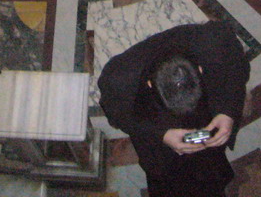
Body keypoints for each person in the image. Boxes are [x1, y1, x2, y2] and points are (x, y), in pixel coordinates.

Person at [97, 22, 250, 197]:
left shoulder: (214, 42)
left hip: (207, 150)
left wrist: (227, 112)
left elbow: (237, 67)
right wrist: (161, 134)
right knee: (167, 180)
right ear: (149, 84)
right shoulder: (118, 79)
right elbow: (117, 115)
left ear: (200, 70)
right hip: (162, 154)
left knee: (210, 170)